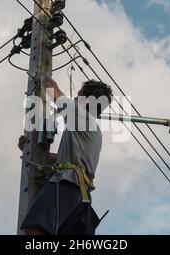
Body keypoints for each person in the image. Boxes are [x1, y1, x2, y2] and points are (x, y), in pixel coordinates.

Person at [18, 73, 112, 235]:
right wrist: (30, 148)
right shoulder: (93, 131)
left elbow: (54, 92)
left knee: (34, 230)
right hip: (80, 196)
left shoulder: (82, 116)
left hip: (67, 185)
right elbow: (65, 161)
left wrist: (42, 77)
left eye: (79, 95)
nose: (76, 98)